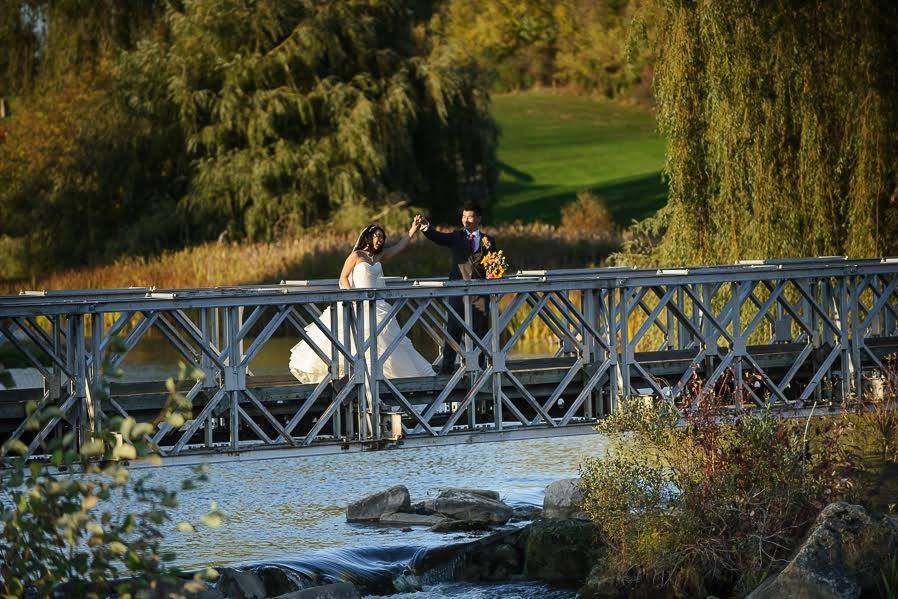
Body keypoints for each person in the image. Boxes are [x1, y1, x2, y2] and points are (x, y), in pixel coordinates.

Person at [288, 221, 435, 383]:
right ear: (368, 237)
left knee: (385, 340)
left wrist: (413, 229)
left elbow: (399, 247)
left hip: (376, 304)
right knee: (354, 341)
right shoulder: (356, 255)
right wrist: (352, 296)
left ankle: (380, 377)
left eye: (382, 237)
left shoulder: (378, 256)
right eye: (377, 236)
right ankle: (353, 376)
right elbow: (343, 277)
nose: (380, 240)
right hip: (357, 302)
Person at [415, 203, 498, 374]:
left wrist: (494, 275)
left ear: (478, 218)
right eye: (463, 217)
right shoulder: (456, 237)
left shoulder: (488, 240)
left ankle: (479, 368)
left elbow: (494, 265)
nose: (466, 220)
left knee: (480, 330)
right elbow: (437, 237)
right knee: (453, 329)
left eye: (470, 217)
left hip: (479, 292)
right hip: (457, 290)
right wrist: (425, 226)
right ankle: (447, 368)